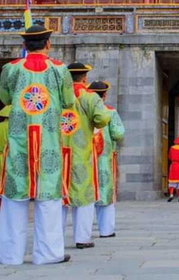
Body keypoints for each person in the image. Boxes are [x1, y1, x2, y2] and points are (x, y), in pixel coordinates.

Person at [0, 24, 76, 265]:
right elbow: (69, 100)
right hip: (48, 140)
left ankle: (11, 256)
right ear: (48, 44)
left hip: (20, 139)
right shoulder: (59, 69)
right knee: (49, 199)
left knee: (14, 199)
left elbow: (4, 96)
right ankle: (48, 254)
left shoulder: (10, 69)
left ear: (24, 45)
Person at [60, 63, 110, 249]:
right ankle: (82, 238)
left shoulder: (58, 94)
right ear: (85, 78)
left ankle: (55, 237)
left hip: (58, 150)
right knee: (84, 195)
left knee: (58, 197)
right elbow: (102, 119)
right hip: (81, 152)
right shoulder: (89, 96)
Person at [89, 81, 125, 239]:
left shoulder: (81, 109)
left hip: (84, 157)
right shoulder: (109, 112)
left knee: (86, 193)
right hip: (104, 157)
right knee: (105, 191)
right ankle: (106, 230)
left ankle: (83, 232)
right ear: (104, 95)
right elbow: (118, 133)